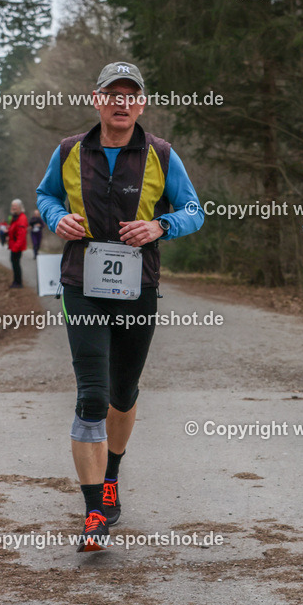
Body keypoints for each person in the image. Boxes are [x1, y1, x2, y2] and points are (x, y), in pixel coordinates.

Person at [36, 61, 204, 552]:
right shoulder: (69, 151)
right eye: (114, 94)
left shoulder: (161, 154)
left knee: (122, 392)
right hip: (81, 282)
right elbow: (46, 195)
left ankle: (111, 473)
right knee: (91, 394)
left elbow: (193, 210)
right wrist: (56, 216)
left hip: (137, 287)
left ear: (142, 103)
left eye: (131, 95)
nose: (122, 102)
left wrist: (160, 227)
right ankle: (94, 511)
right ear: (97, 99)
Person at [7, 200, 28, 288]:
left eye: (15, 206)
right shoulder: (15, 217)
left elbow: (21, 235)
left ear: (20, 207)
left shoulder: (22, 218)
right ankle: (16, 281)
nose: (13, 208)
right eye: (12, 206)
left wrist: (16, 247)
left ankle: (18, 283)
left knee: (16, 264)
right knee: (14, 263)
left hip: (17, 246)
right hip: (13, 245)